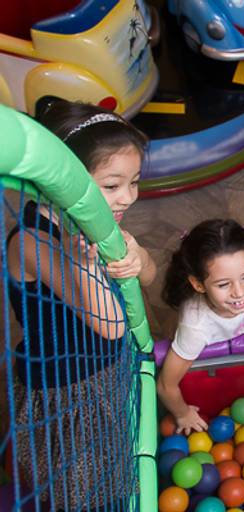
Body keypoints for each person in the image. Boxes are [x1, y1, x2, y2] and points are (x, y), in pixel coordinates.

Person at [6, 100, 154, 509]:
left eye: (134, 182)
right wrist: (81, 261)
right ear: (65, 182)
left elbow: (150, 276)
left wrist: (139, 256)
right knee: (81, 492)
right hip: (65, 392)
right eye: (111, 186)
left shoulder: (97, 223)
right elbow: (110, 322)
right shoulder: (33, 242)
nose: (127, 198)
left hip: (106, 372)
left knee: (115, 466)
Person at [158, 219, 244, 434]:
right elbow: (166, 385)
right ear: (198, 284)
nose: (239, 292)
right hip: (216, 341)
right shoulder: (195, 329)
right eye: (223, 284)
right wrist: (182, 413)